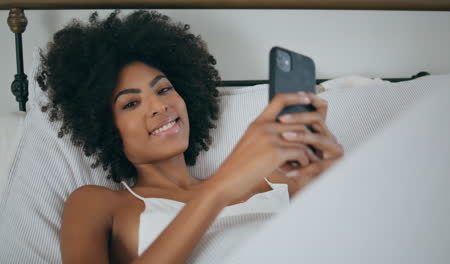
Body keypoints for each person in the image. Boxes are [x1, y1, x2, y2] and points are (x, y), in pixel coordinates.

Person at [37, 10, 343, 264]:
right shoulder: (98, 203)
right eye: (131, 103)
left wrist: (337, 174)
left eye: (164, 88)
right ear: (105, 126)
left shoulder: (277, 179)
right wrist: (217, 190)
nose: (160, 105)